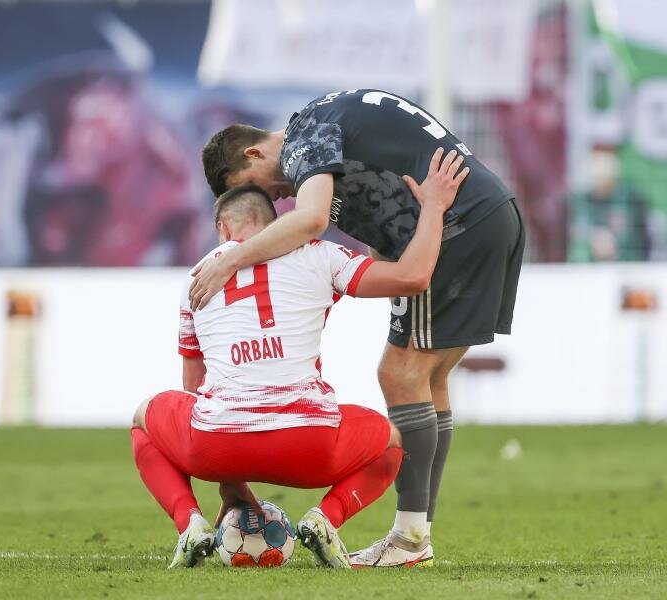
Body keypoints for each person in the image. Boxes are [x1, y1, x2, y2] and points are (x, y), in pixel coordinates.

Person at [195, 89, 525, 567]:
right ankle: (414, 536)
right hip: (485, 216)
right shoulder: (323, 125)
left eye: (260, 187)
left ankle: (411, 541)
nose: (273, 200)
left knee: (401, 374)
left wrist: (233, 260)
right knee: (426, 380)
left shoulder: (304, 137)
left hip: (457, 224)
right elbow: (378, 195)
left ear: (254, 152)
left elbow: (309, 221)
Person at [131, 150, 468, 568]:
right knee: (395, 442)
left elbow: (194, 387)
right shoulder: (318, 254)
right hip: (310, 445)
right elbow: (411, 277)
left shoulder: (198, 276)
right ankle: (327, 517)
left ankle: (190, 525)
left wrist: (231, 484)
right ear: (276, 226)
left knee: (144, 418)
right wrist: (434, 207)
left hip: (219, 444)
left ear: (222, 229)